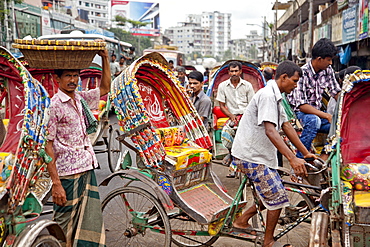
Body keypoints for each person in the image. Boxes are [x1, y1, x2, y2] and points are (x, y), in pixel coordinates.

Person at [231, 60, 316, 247]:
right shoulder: (268, 95)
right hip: (249, 155)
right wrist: (292, 159)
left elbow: (286, 126)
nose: (296, 85)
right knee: (277, 196)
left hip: (259, 155)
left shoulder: (277, 96)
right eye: (294, 81)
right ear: (283, 77)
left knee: (273, 190)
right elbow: (271, 131)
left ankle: (242, 220)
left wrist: (305, 153)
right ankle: (268, 241)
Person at [45, 48, 110, 247]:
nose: (73, 80)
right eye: (68, 76)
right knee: (63, 225)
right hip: (66, 174)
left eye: (75, 76)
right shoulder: (54, 105)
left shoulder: (80, 98)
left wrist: (104, 58)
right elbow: (48, 146)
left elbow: (105, 88)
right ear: (57, 79)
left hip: (85, 168)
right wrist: (55, 183)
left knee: (85, 223)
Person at [287, 38, 341, 159]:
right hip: (300, 116)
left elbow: (336, 92)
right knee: (313, 120)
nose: (331, 63)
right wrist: (326, 115)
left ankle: (324, 157)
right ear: (319, 59)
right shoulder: (302, 73)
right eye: (329, 60)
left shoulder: (328, 71)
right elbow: (301, 105)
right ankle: (301, 159)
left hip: (319, 116)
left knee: (341, 125)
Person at [216, 61, 255, 178]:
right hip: (232, 117)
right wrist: (231, 116)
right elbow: (222, 105)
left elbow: (252, 105)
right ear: (228, 72)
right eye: (232, 71)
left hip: (246, 116)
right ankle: (231, 156)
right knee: (225, 135)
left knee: (248, 143)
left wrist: (245, 117)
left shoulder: (247, 85)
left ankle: (247, 169)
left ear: (240, 71)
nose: (234, 73)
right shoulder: (223, 86)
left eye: (236, 71)